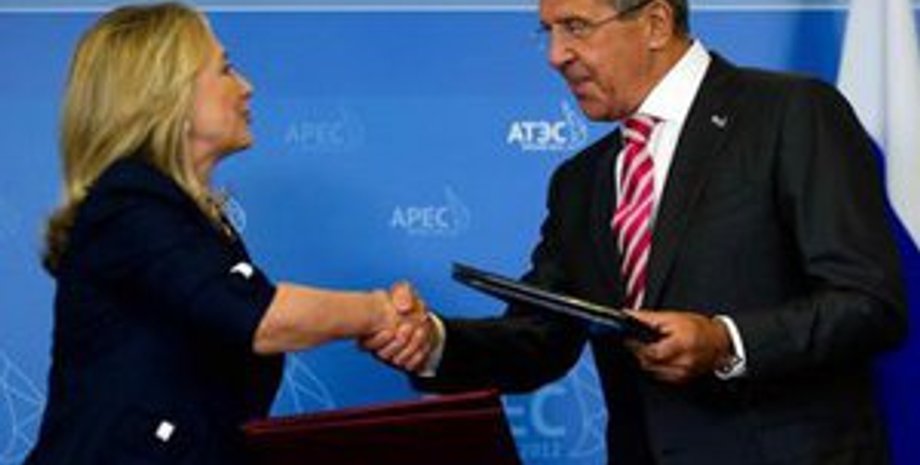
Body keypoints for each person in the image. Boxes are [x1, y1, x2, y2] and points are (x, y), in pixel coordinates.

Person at [365, 0, 908, 464]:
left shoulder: (792, 112)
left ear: (654, 23)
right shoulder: (581, 181)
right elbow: (540, 337)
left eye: (575, 27)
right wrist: (432, 342)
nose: (556, 55)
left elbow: (868, 302)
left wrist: (725, 341)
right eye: (547, 31)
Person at [25, 3, 427, 465]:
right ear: (165, 93)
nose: (246, 86)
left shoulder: (191, 219)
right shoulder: (129, 204)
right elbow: (263, 318)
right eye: (225, 69)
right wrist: (377, 311)